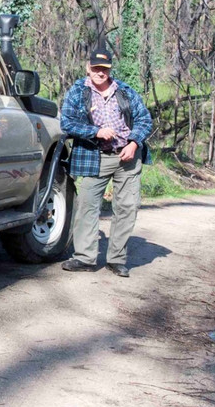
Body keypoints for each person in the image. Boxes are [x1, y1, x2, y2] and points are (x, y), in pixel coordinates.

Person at [59, 47, 153, 277]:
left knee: (127, 207)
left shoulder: (125, 91)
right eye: (95, 68)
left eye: (104, 69)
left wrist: (133, 143)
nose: (100, 72)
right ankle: (84, 257)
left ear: (110, 70)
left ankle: (117, 260)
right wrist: (96, 132)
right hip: (94, 156)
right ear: (88, 68)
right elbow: (67, 123)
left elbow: (144, 119)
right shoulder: (78, 92)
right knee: (87, 207)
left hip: (127, 157)